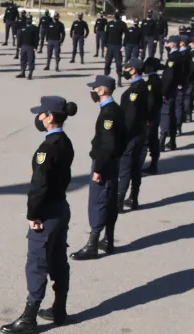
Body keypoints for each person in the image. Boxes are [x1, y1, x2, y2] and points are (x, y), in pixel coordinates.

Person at [1, 96, 77, 334]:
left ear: (50, 117)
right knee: (57, 258)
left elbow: (39, 185)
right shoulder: (65, 141)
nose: (38, 117)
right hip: (61, 208)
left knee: (37, 263)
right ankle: (59, 308)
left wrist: (33, 214)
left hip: (46, 212)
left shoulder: (46, 149)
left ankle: (30, 316)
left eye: (41, 114)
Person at [70, 75, 126, 260]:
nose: (93, 92)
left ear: (102, 90)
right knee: (108, 202)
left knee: (98, 202)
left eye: (95, 89)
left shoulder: (108, 113)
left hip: (104, 164)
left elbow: (107, 145)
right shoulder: (114, 109)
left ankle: (92, 245)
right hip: (112, 162)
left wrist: (99, 169)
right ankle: (108, 241)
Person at [117, 58, 149, 212]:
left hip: (133, 134)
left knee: (125, 168)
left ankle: (119, 201)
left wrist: (122, 136)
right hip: (141, 132)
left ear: (134, 70)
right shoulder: (142, 86)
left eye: (128, 69)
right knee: (136, 168)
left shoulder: (135, 91)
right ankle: (133, 198)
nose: (126, 71)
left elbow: (130, 116)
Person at [159, 37, 182, 151]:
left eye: (168, 42)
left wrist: (163, 92)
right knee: (171, 115)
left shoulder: (174, 57)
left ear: (173, 44)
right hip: (174, 89)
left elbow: (169, 76)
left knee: (165, 114)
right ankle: (172, 142)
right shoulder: (177, 55)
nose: (166, 44)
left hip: (170, 90)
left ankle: (161, 142)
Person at [143, 57, 163, 175]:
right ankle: (153, 165)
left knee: (148, 140)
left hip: (151, 116)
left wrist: (147, 117)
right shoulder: (156, 80)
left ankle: (151, 166)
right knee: (153, 139)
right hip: (156, 114)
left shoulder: (151, 82)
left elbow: (150, 101)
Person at [175, 36, 192, 136]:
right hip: (184, 81)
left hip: (180, 83)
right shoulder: (186, 53)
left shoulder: (183, 54)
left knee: (178, 105)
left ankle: (177, 126)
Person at [103, 13, 127, 86]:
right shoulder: (109, 23)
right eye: (114, 14)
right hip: (109, 46)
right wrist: (105, 45)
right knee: (107, 63)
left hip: (118, 47)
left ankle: (119, 81)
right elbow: (106, 34)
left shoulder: (122, 24)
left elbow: (127, 34)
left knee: (119, 65)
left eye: (116, 14)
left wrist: (124, 45)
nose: (115, 16)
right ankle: (105, 80)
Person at [15, 15, 38, 80]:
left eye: (29, 19)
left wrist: (35, 46)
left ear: (31, 20)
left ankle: (30, 73)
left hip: (30, 46)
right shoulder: (22, 28)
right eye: (27, 19)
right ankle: (23, 72)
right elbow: (20, 37)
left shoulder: (34, 28)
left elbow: (36, 38)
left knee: (30, 60)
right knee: (23, 59)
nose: (28, 20)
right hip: (23, 46)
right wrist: (19, 46)